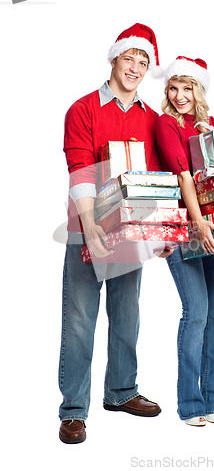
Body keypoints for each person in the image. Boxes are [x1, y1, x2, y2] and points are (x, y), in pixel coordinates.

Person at [58, 24, 164, 445]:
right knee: (80, 319)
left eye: (144, 61)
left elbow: (157, 183)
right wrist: (90, 229)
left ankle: (121, 392)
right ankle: (73, 411)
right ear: (114, 59)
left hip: (132, 233)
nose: (136, 67)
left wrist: (157, 233)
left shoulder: (151, 119)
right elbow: (80, 171)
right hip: (85, 229)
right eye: (129, 58)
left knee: (127, 314)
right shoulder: (83, 109)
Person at [155, 56, 214, 426]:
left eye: (187, 88)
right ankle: (191, 404)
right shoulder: (166, 123)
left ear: (199, 89)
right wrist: (198, 221)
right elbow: (183, 175)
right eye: (174, 88)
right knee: (196, 311)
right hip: (184, 226)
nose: (180, 95)